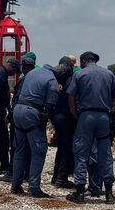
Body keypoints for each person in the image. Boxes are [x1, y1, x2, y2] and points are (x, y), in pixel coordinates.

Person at [65, 52, 115, 205]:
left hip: (86, 116)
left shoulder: (80, 74)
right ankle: (109, 193)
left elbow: (70, 96)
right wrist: (109, 108)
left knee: (81, 152)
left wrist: (75, 115)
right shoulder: (108, 74)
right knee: (105, 154)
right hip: (103, 117)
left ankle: (80, 192)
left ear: (83, 61)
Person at [11, 64, 70, 197]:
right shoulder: (52, 81)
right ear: (61, 75)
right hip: (31, 113)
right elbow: (50, 107)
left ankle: (15, 185)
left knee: (20, 150)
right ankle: (34, 187)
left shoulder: (33, 72)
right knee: (38, 151)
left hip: (18, 111)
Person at [0, 57, 35, 183]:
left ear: (23, 68)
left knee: (16, 146)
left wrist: (10, 115)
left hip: (19, 116)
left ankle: (12, 173)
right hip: (31, 116)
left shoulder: (24, 80)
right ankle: (27, 173)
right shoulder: (33, 80)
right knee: (29, 146)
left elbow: (18, 99)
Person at [51, 56, 76, 189]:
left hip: (57, 117)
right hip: (67, 117)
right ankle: (62, 178)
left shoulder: (59, 81)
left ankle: (56, 176)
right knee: (67, 148)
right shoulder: (71, 80)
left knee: (61, 148)